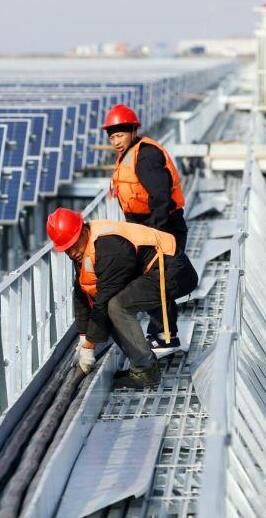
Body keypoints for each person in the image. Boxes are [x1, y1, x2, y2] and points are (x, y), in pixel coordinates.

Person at [46, 208, 198, 389]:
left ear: (82, 230)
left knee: (116, 306)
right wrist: (83, 335)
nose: (72, 252)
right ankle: (142, 361)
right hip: (156, 270)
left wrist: (89, 346)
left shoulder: (109, 249)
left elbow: (103, 301)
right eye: (67, 249)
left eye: (74, 245)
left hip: (173, 271)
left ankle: (146, 371)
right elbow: (82, 291)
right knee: (110, 308)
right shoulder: (85, 246)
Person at [103, 104, 188, 352]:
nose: (116, 142)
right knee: (152, 278)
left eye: (120, 135)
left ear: (133, 131)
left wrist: (155, 235)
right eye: (112, 137)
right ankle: (162, 333)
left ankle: (165, 336)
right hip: (145, 227)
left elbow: (161, 197)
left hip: (162, 227)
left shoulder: (146, 156)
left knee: (156, 279)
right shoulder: (129, 154)